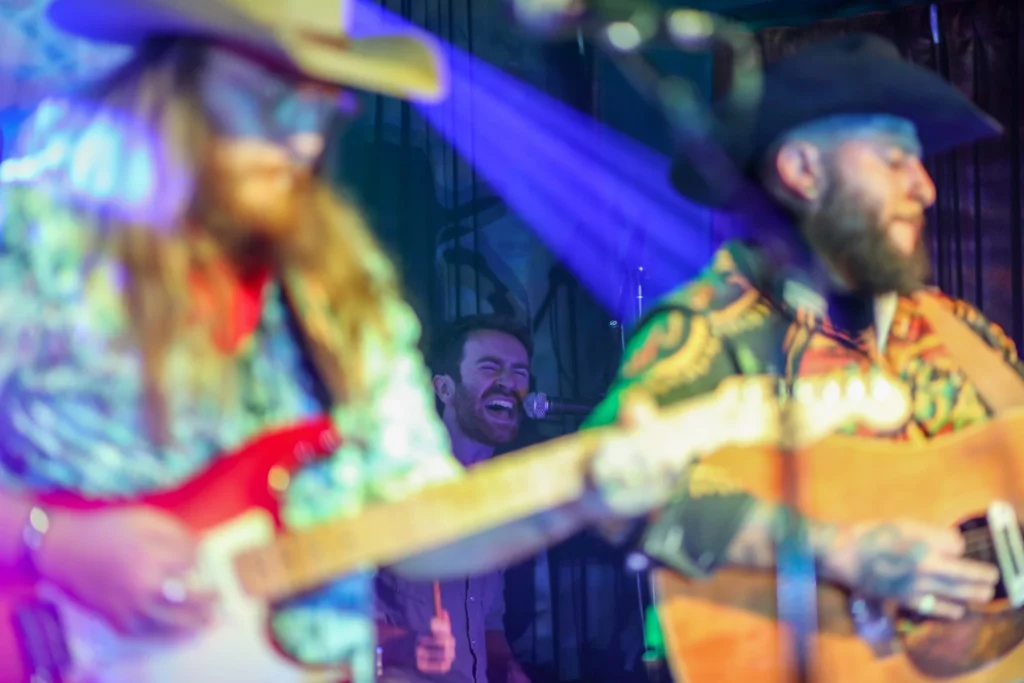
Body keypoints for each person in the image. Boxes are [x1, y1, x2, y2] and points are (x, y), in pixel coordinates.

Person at [0, 1, 693, 680]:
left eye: (319, 108)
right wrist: (53, 542)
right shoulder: (36, 239)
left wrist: (583, 495)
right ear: (173, 81)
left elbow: (420, 519)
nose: (300, 138)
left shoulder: (340, 290)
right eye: (267, 98)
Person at [585, 33, 1006, 626]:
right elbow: (606, 488)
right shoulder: (713, 328)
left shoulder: (962, 336)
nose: (924, 188)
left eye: (919, 162)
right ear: (803, 170)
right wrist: (840, 552)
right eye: (893, 160)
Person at [375, 315, 534, 683]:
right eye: (490, 367)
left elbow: (488, 622)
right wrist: (406, 646)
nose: (509, 383)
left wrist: (507, 668)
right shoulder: (394, 488)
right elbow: (335, 622)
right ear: (444, 389)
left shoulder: (499, 502)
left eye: (520, 373)